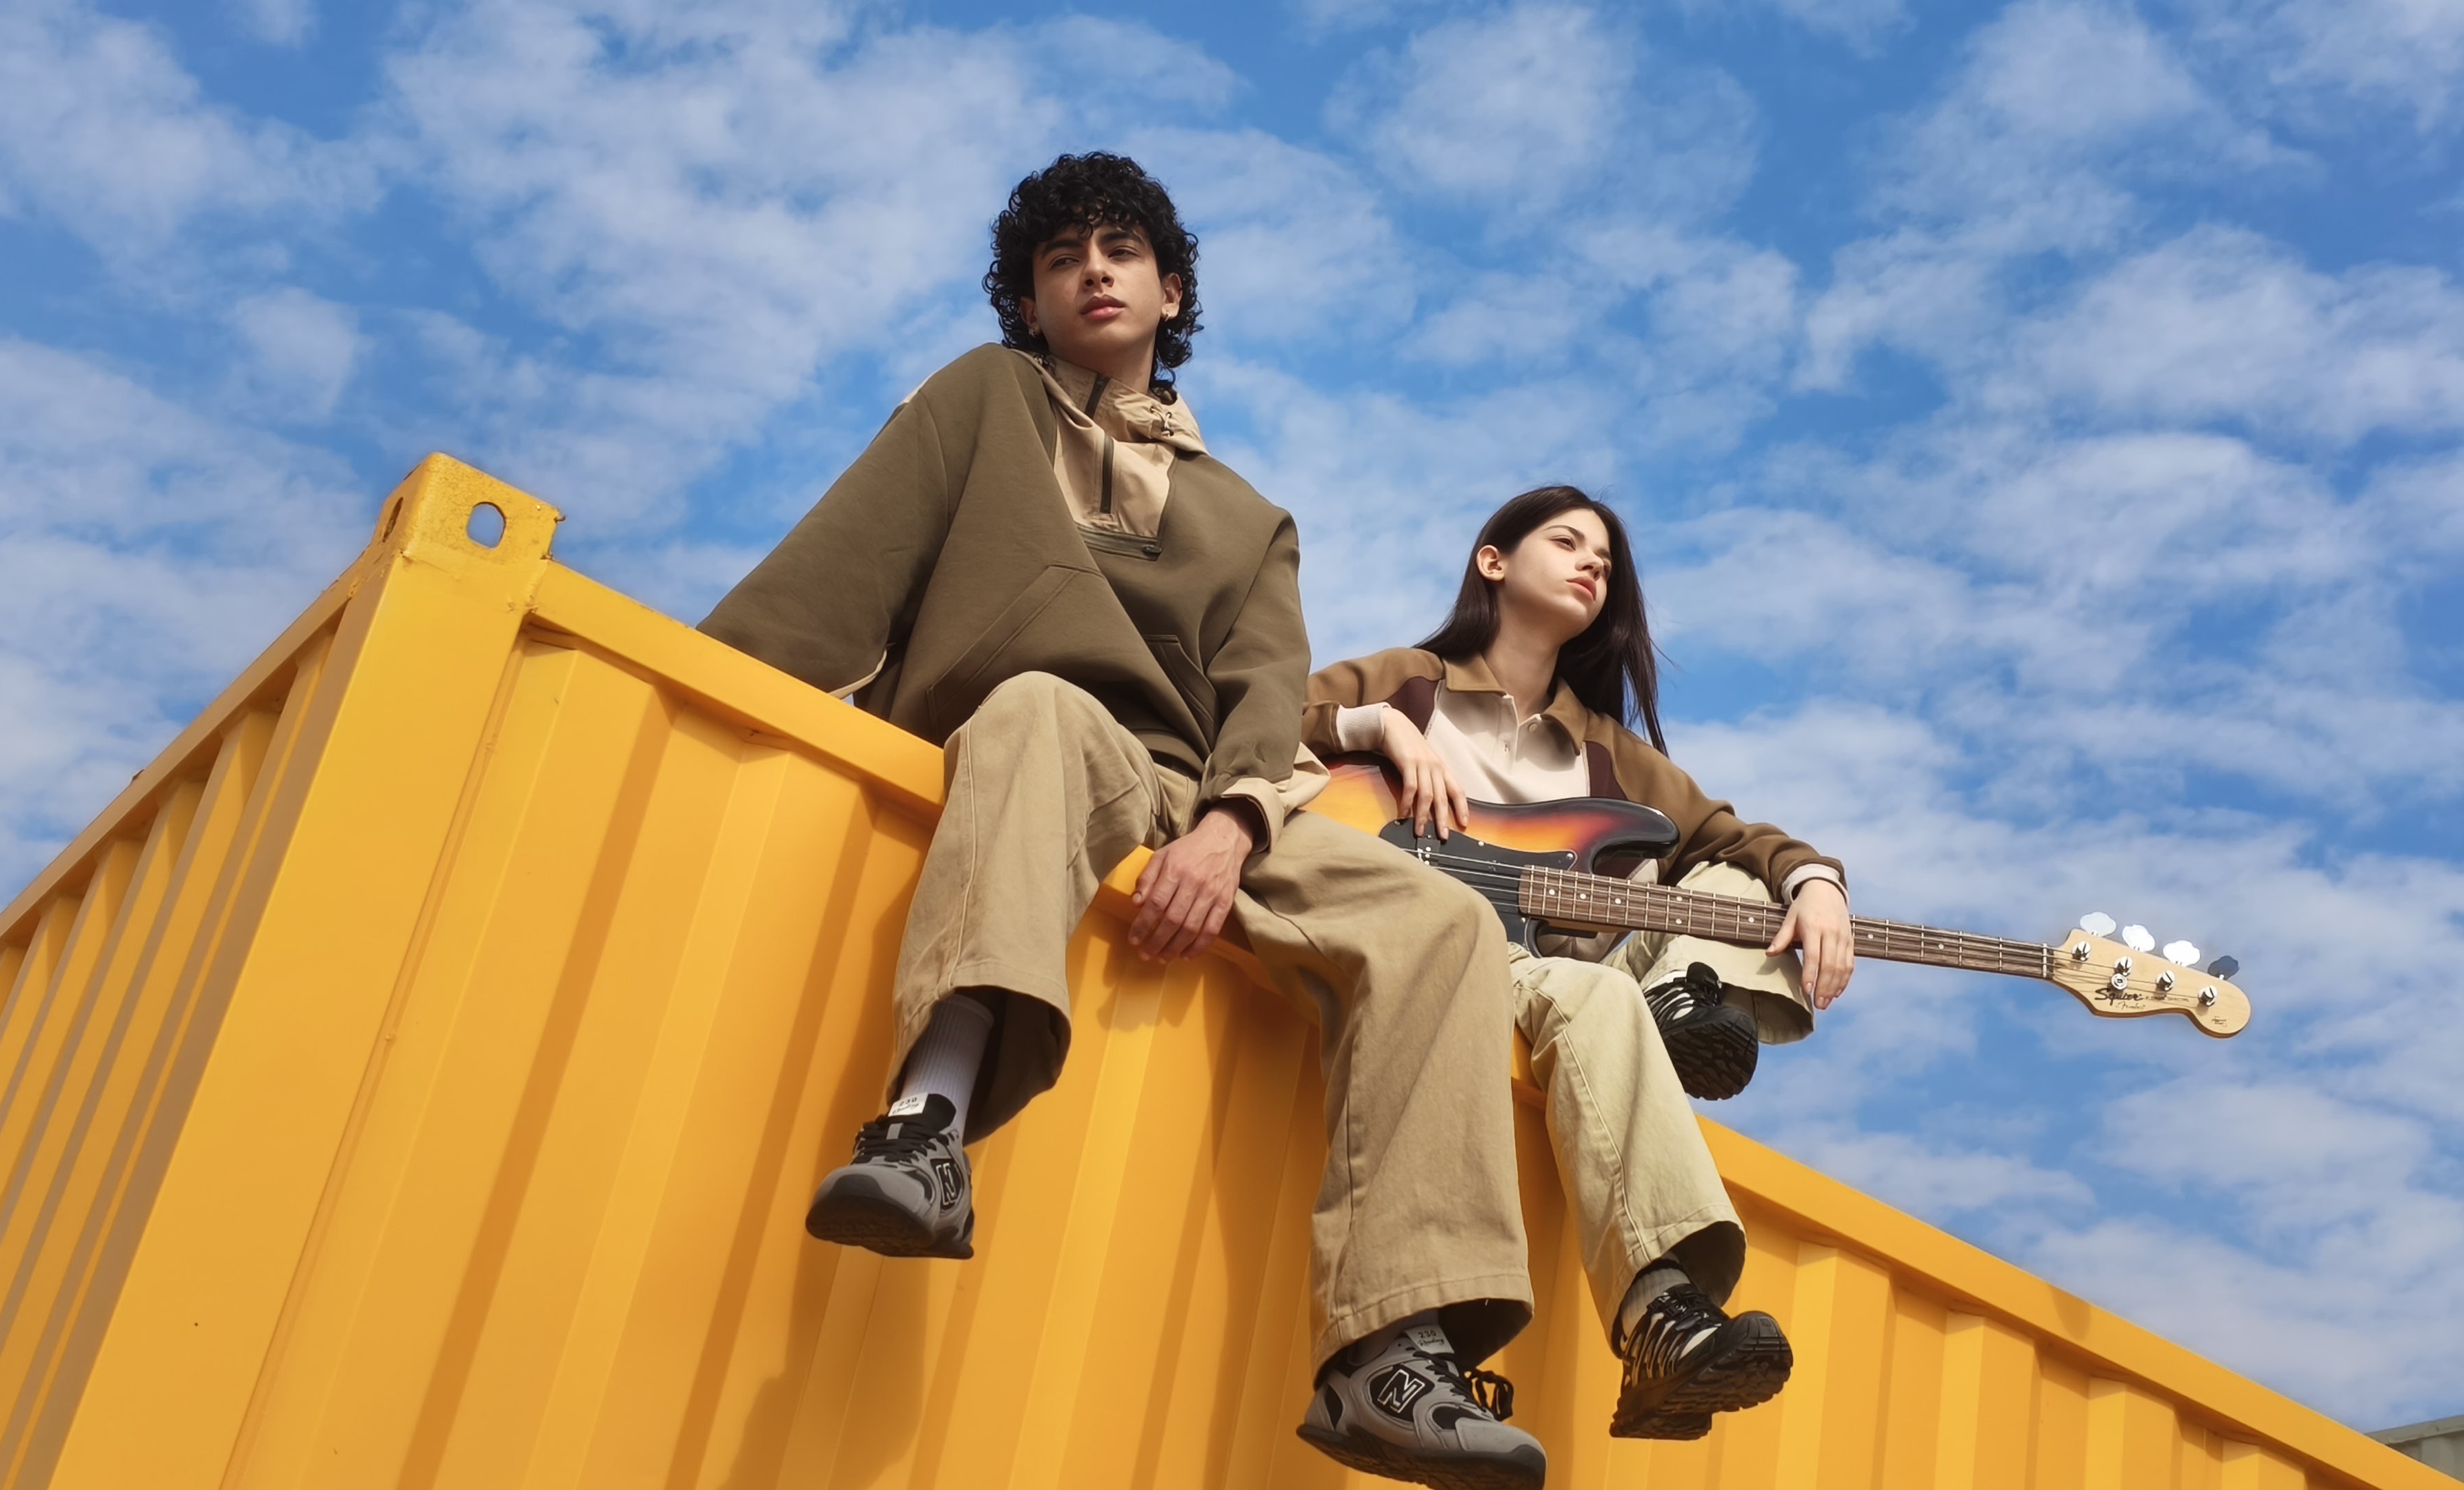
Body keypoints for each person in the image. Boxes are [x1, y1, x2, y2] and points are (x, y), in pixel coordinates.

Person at [700, 153, 1552, 1489]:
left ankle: (1394, 1349)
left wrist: (1227, 834)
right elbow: (830, 577)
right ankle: (927, 1131)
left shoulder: (1250, 518)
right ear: (1031, 302)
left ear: (1167, 286)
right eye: (1059, 260)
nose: (1091, 271)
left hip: (1195, 791)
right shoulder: (981, 401)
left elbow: (1265, 707)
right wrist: (681, 698)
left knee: (1443, 919)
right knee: (1040, 705)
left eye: (1118, 249)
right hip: (1038, 744)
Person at [1304, 485, 1859, 1439]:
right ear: (1493, 561)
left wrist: (1816, 882)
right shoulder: (1410, 678)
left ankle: (1689, 1013)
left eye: (1605, 560)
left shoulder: (1610, 752)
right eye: (1567, 542)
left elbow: (1734, 838)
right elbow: (1257, 708)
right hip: (1434, 948)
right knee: (1594, 994)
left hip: (1557, 971)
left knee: (1742, 888)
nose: (1592, 565)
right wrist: (1383, 727)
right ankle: (1659, 1302)